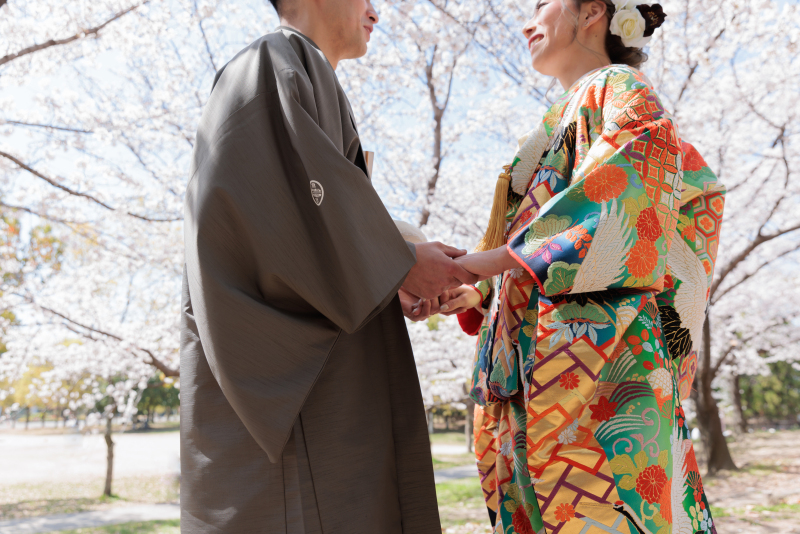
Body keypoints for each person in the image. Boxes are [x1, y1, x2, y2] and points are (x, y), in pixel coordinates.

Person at [180, 0, 478, 531]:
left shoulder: (296, 70)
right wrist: (397, 263)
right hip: (296, 395)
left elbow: (313, 218)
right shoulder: (276, 57)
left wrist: (392, 275)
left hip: (317, 375)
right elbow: (272, 218)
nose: (376, 10)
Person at [437, 0, 725, 532]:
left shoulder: (619, 87)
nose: (527, 21)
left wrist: (492, 262)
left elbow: (627, 189)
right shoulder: (563, 115)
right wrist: (482, 291)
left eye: (542, 3)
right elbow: (532, 248)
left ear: (593, 10)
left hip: (599, 375)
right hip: (537, 370)